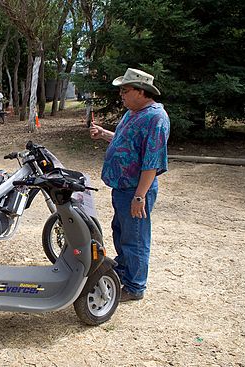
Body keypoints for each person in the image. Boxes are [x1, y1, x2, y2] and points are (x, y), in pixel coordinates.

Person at [89, 68, 170, 302]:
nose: (121, 95)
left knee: (135, 238)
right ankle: (123, 272)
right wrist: (104, 133)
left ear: (141, 91)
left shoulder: (156, 117)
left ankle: (134, 287)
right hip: (122, 189)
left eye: (125, 90)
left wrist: (139, 197)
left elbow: (151, 162)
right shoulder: (132, 113)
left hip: (135, 191)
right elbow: (124, 141)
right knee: (122, 232)